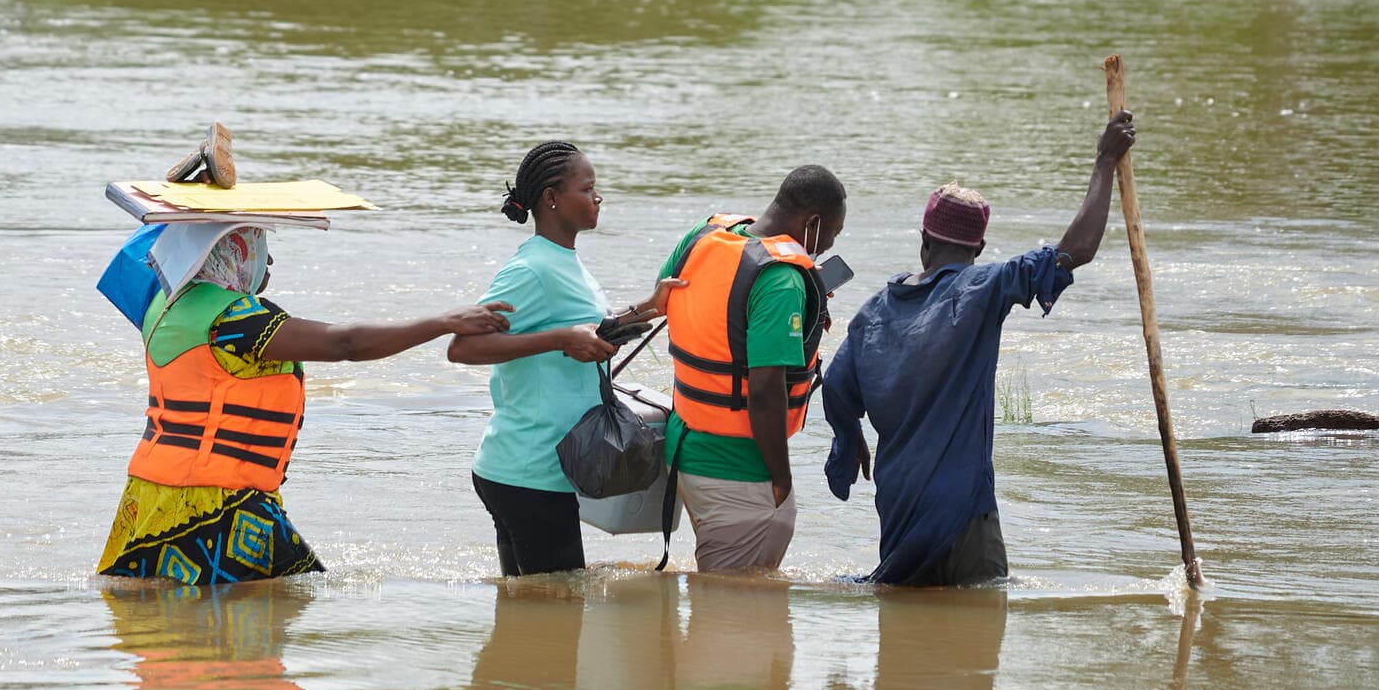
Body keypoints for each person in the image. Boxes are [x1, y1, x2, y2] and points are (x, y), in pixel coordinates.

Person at [821, 114, 1136, 586]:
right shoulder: (983, 287)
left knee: (904, 647)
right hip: (963, 513)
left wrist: (849, 440)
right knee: (977, 626)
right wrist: (1105, 161)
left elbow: (836, 392)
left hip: (900, 507)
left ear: (924, 242)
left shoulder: (872, 315)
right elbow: (1077, 250)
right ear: (980, 247)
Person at [99, 222, 511, 583]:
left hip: (152, 492)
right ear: (232, 251)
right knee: (248, 640)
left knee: (173, 636)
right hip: (217, 502)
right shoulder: (235, 319)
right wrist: (443, 322)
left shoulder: (162, 304)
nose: (270, 259)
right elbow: (346, 343)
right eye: (257, 243)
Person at [454, 140, 671, 577]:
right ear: (552, 198)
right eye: (587, 188)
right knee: (556, 618)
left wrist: (647, 308)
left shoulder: (565, 260)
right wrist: (560, 340)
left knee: (526, 617)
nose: (598, 197)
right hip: (528, 469)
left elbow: (585, 325)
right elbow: (463, 345)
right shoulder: (530, 269)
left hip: (538, 467)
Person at [656, 165, 848, 576]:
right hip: (738, 471)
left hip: (683, 449)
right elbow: (763, 391)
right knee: (740, 624)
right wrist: (781, 479)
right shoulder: (780, 280)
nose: (825, 248)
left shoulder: (704, 236)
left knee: (722, 614)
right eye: (830, 236)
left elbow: (664, 300)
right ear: (812, 224)